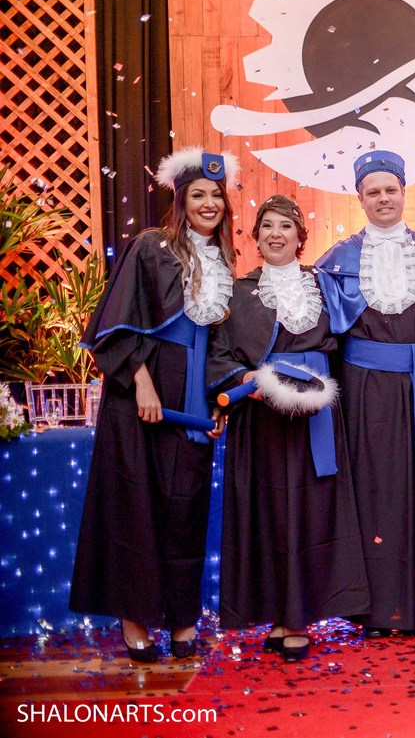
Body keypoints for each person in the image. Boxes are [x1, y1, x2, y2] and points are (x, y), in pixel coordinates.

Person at [70, 147, 235, 662]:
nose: (208, 204)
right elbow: (112, 324)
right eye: (198, 195)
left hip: (192, 403)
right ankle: (135, 619)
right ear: (180, 200)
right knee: (135, 509)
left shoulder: (226, 262)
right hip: (139, 397)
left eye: (216, 196)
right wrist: (141, 381)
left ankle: (183, 620)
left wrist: (219, 399)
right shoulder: (149, 246)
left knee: (186, 509)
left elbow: (220, 344)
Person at [208, 195, 370, 662]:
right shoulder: (237, 293)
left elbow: (349, 345)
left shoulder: (325, 286)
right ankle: (278, 615)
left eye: (285, 226)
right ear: (255, 237)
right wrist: (243, 380)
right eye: (267, 226)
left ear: (300, 236)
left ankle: (298, 619)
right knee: (270, 515)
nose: (275, 234)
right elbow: (219, 355)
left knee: (313, 512)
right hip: (261, 417)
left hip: (317, 415)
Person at [315, 150, 415, 636]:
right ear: (360, 199)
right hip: (364, 390)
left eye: (390, 189)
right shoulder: (336, 261)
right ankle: (375, 610)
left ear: (404, 192)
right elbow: (322, 335)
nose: (383, 198)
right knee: (373, 493)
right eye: (373, 192)